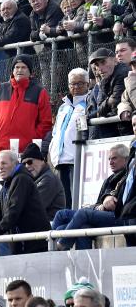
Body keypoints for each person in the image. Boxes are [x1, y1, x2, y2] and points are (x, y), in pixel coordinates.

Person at [0, 150, 51, 256]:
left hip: (35, 246)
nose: (0, 167)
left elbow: (13, 210)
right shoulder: (6, 186)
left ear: (15, 164)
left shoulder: (21, 179)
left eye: (4, 163)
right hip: (21, 244)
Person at [53, 144, 128, 250]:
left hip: (119, 218)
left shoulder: (129, 176)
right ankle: (80, 264)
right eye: (109, 159)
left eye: (114, 158)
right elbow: (99, 202)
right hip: (103, 214)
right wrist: (101, 205)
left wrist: (107, 204)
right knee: (67, 223)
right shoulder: (109, 180)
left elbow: (122, 204)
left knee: (83, 213)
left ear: (126, 159)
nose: (111, 162)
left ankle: (59, 246)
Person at [0, 55, 53, 155]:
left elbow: (45, 122)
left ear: (30, 72)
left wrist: (33, 137)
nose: (19, 70)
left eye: (23, 67)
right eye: (17, 67)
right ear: (12, 70)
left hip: (26, 151)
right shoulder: (0, 89)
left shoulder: (39, 92)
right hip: (1, 149)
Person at [48, 68, 89, 205]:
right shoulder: (63, 106)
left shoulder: (89, 103)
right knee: (62, 200)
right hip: (59, 159)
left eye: (80, 83)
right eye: (72, 84)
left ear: (87, 84)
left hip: (75, 159)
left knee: (74, 200)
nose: (76, 87)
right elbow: (55, 132)